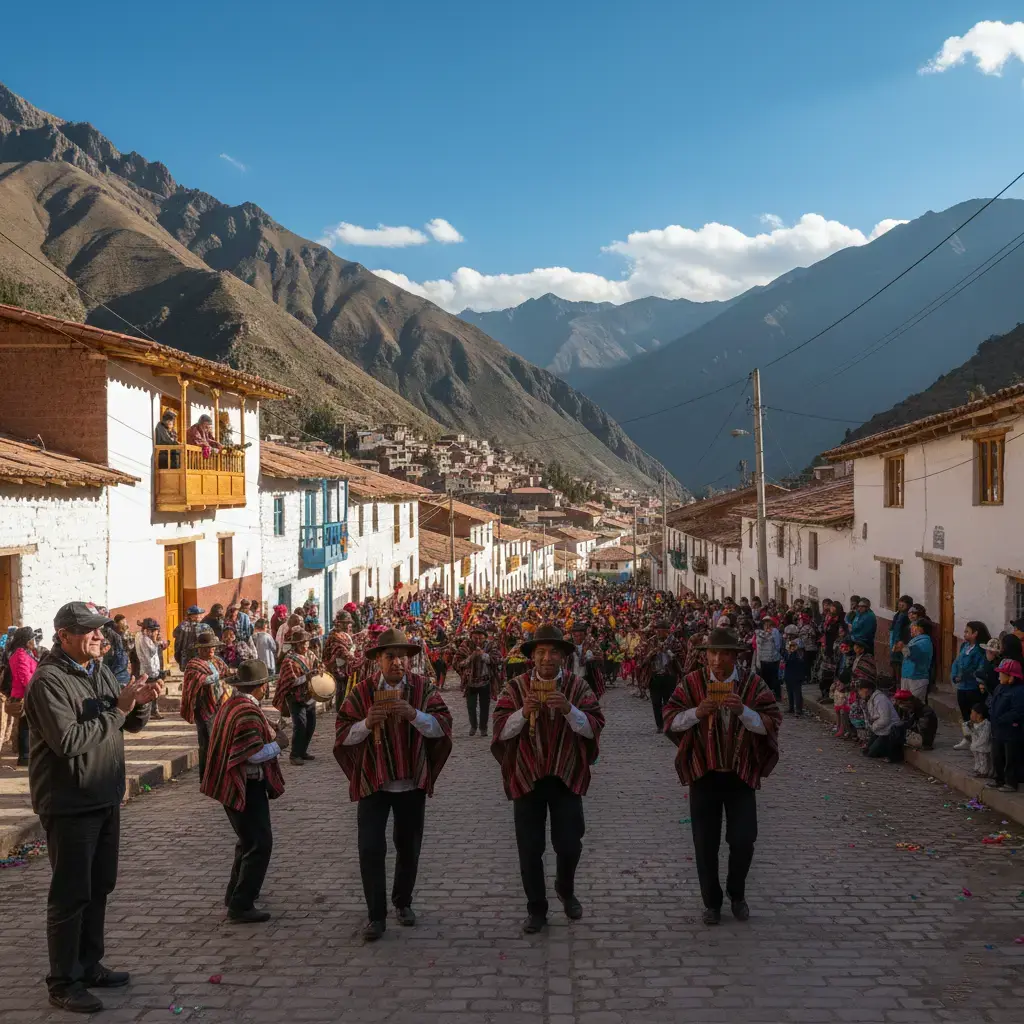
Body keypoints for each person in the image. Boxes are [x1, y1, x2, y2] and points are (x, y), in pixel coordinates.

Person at [23, 602, 162, 1013]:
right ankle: (63, 981)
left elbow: (127, 723)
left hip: (104, 795)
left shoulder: (96, 670)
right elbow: (68, 742)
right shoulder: (48, 681)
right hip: (70, 802)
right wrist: (118, 709)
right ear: (64, 636)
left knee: (99, 885)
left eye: (101, 629)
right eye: (91, 631)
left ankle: (89, 964)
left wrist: (140, 702)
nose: (101, 636)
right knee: (71, 895)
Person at [334, 628, 452, 941]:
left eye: (402, 657)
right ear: (379, 661)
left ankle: (403, 901)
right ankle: (376, 915)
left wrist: (414, 714)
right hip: (374, 780)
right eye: (391, 657)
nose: (398, 662)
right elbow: (343, 734)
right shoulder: (362, 692)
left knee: (409, 846)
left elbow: (442, 727)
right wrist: (366, 723)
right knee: (370, 848)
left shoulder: (423, 688)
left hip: (411, 781)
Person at [661, 627, 781, 926]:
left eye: (723, 654)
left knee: (744, 840)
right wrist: (697, 713)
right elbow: (671, 721)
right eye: (712, 653)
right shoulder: (692, 683)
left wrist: (744, 711)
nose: (716, 660)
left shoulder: (752, 684)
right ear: (705, 656)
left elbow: (770, 723)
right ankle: (711, 903)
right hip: (704, 774)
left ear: (734, 656)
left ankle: (736, 893)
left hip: (740, 775)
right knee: (705, 844)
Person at [491, 624, 604, 934]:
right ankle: (536, 908)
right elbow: (500, 730)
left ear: (563, 657)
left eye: (554, 652)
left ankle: (565, 887)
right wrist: (522, 714)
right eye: (541, 652)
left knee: (569, 845)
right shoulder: (515, 688)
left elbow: (593, 726)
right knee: (529, 848)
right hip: (527, 776)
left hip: (566, 776)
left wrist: (568, 709)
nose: (547, 658)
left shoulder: (577, 687)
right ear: (533, 657)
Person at [200, 660, 288, 923]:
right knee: (260, 844)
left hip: (232, 784)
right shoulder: (246, 711)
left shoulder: (233, 705)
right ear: (261, 687)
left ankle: (236, 894)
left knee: (248, 841)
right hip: (246, 785)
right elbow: (252, 754)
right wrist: (279, 744)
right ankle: (241, 904)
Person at [180, 632, 231, 781]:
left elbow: (227, 673)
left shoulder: (217, 662)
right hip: (203, 708)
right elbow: (199, 681)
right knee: (207, 742)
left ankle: (218, 773)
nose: (210, 651)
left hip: (219, 706)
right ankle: (206, 776)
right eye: (207, 648)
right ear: (200, 649)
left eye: (212, 648)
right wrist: (217, 677)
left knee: (220, 740)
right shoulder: (194, 664)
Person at [274, 629, 318, 766]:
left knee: (310, 725)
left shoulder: (311, 655)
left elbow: (319, 667)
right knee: (300, 725)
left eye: (306, 643)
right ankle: (295, 755)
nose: (305, 646)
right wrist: (306, 677)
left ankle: (303, 751)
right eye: (302, 643)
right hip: (296, 697)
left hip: (310, 695)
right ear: (296, 644)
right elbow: (289, 681)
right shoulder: (289, 660)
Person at [637, 619, 686, 732]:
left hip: (669, 676)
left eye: (661, 630)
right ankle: (659, 725)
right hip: (655, 677)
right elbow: (642, 659)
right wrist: (653, 652)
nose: (658, 632)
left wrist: (668, 651)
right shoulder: (651, 641)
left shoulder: (674, 642)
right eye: (657, 630)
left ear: (667, 631)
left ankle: (668, 723)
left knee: (668, 701)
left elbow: (681, 657)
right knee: (656, 702)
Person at [454, 624, 500, 737]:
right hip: (470, 682)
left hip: (485, 681)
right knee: (471, 706)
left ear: (485, 638)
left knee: (485, 706)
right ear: (471, 637)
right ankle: (473, 726)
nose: (478, 641)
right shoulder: (465, 646)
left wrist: (484, 655)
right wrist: (471, 657)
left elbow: (498, 660)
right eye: (475, 638)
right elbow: (456, 662)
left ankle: (483, 728)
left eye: (481, 638)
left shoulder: (491, 646)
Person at [951, 622, 991, 750]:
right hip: (961, 686)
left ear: (975, 634)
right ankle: (967, 738)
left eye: (967, 631)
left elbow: (979, 668)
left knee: (976, 715)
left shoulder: (980, 650)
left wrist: (966, 675)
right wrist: (955, 675)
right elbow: (957, 662)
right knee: (965, 715)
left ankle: (978, 739)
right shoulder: (964, 646)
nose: (964, 634)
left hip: (973, 687)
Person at [3, 626, 38, 764]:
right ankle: (25, 756)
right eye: (32, 639)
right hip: (25, 694)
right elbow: (25, 677)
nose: (34, 641)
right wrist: (36, 689)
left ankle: (25, 755)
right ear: (26, 640)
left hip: (24, 693)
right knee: (26, 726)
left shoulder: (22, 653)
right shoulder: (21, 655)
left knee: (25, 725)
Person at [990, 657, 1024, 793]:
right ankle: (999, 779)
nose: (999, 676)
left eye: (1002, 674)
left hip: (1010, 730)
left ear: (1011, 677)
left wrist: (1002, 719)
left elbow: (1018, 711)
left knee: (1011, 758)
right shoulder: (1000, 688)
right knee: (997, 756)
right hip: (997, 729)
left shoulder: (1019, 691)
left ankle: (1011, 782)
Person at [134, 618, 167, 720]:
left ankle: (152, 711)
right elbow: (152, 651)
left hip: (149, 668)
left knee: (151, 690)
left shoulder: (140, 636)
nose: (155, 633)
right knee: (151, 691)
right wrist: (157, 641)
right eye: (153, 631)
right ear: (146, 630)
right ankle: (151, 712)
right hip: (149, 670)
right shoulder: (145, 639)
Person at [859, 680, 901, 760]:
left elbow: (885, 720)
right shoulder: (871, 699)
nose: (860, 693)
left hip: (889, 730)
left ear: (867, 689)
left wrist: (873, 727)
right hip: (880, 729)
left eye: (860, 690)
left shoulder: (880, 699)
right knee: (866, 751)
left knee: (871, 753)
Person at [899, 618, 934, 702]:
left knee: (915, 704)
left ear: (921, 629)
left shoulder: (924, 642)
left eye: (914, 626)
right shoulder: (915, 641)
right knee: (905, 703)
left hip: (917, 679)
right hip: (908, 676)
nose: (911, 628)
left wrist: (903, 647)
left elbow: (912, 654)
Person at [754, 616, 782, 701]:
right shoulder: (761, 633)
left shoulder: (774, 631)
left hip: (773, 659)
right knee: (765, 679)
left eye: (768, 623)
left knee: (774, 678)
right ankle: (767, 696)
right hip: (763, 659)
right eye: (765, 624)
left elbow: (778, 645)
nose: (766, 625)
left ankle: (777, 695)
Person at [888, 595, 913, 682]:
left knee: (898, 662)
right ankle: (896, 682)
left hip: (900, 642)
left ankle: (898, 682)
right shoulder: (899, 614)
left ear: (908, 606)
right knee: (895, 662)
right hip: (896, 640)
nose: (900, 606)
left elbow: (899, 630)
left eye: (903, 605)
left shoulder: (905, 615)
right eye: (899, 604)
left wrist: (897, 641)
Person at [173, 606, 206, 670]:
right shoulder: (201, 626)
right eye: (197, 615)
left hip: (185, 652)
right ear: (191, 616)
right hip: (196, 652)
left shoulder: (182, 625)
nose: (199, 617)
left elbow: (174, 634)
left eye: (200, 615)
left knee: (188, 669)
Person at [969, 702, 993, 779]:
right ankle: (978, 769)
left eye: (972, 713)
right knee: (977, 759)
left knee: (983, 759)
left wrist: (976, 744)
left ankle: (984, 772)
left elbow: (984, 738)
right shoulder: (974, 724)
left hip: (983, 747)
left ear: (979, 715)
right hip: (976, 746)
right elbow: (973, 735)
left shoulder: (986, 725)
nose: (971, 715)